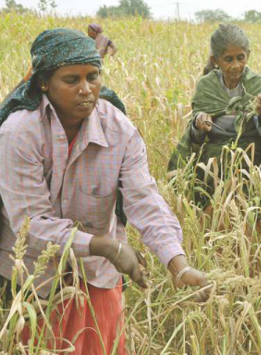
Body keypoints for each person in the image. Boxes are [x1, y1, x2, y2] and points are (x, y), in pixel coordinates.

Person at [0, 28, 210, 353]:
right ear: (44, 83)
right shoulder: (19, 133)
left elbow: (145, 200)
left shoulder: (119, 129)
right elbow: (32, 225)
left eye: (93, 76)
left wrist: (177, 263)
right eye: (72, 80)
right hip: (33, 280)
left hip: (97, 277)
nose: (86, 89)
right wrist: (107, 247)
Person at [168, 24, 261, 208]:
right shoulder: (207, 86)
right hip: (213, 163)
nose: (236, 65)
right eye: (228, 59)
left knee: (252, 215)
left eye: (240, 58)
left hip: (252, 159)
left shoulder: (256, 84)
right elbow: (195, 136)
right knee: (211, 212)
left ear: (248, 55)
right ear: (215, 60)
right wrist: (199, 122)